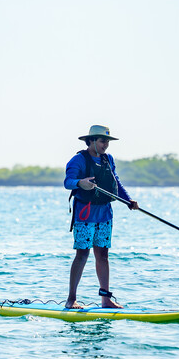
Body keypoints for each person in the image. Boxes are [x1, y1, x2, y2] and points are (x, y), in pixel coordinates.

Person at [64, 125, 138, 309]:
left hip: (105, 214)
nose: (106, 145)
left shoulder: (108, 159)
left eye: (107, 141)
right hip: (85, 215)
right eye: (103, 141)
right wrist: (80, 183)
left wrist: (128, 200)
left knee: (103, 256)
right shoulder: (78, 160)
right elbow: (68, 182)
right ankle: (71, 299)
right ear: (91, 141)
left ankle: (105, 299)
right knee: (82, 255)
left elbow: (116, 182)